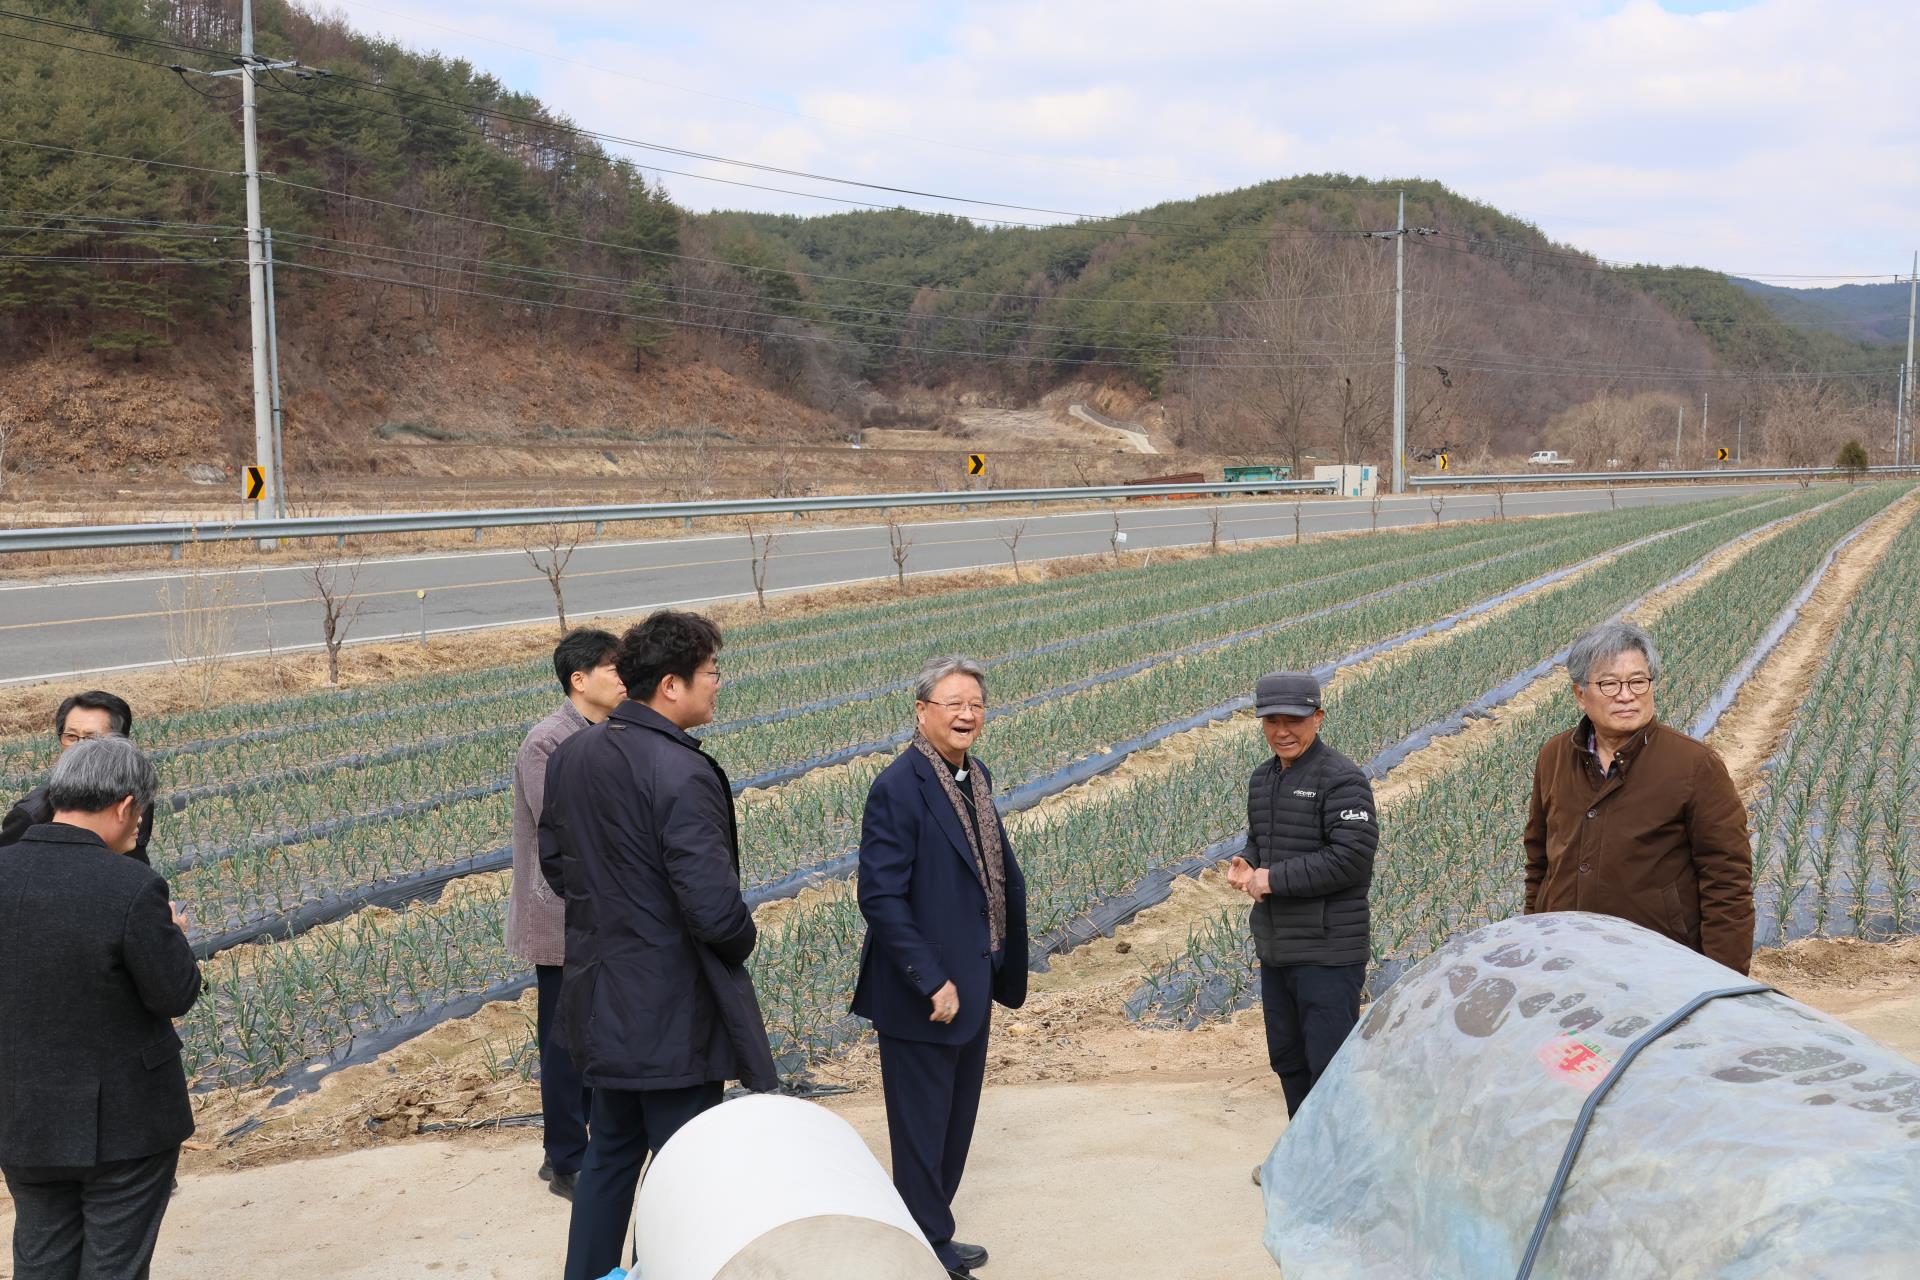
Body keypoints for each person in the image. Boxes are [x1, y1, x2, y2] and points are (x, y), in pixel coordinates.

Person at [540, 610, 776, 1280]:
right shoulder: (679, 770)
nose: (718, 684)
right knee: (680, 1168)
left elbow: (555, 865)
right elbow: (712, 907)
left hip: (600, 996)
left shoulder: (573, 755)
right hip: (672, 1010)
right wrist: (741, 938)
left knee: (610, 1154)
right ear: (671, 685)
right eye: (711, 673)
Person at [851, 656, 1029, 1280]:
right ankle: (925, 1246)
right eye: (953, 703)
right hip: (925, 992)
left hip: (973, 976)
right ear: (922, 711)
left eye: (975, 703)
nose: (966, 714)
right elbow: (880, 896)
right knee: (922, 1130)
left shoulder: (973, 774)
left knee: (954, 1123)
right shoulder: (899, 787)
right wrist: (930, 978)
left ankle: (932, 1232)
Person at [0, 736, 202, 1280]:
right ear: (123, 805)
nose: (139, 828)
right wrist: (172, 936)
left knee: (41, 1258)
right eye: (141, 813)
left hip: (21, 1117)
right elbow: (174, 993)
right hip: (125, 1123)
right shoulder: (131, 886)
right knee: (115, 1266)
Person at [1524, 620, 1753, 973]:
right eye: (1609, 684)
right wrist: (1534, 934)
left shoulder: (1694, 765)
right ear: (1580, 694)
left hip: (1657, 966)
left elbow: (1727, 882)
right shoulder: (1554, 757)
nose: (1626, 695)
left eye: (1637, 681)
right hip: (1566, 958)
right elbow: (1539, 860)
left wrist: (1722, 982)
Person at [1227, 671, 1377, 1134]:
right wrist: (1249, 861)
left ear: (1317, 717)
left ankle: (1337, 1163)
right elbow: (1263, 838)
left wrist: (1272, 879)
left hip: (1328, 952)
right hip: (1278, 949)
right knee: (1289, 1060)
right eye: (1271, 720)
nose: (1282, 731)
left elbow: (1351, 858)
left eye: (1293, 720)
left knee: (1328, 1067)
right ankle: (1301, 1155)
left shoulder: (1342, 779)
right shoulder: (1263, 778)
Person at [507, 627, 624, 1200]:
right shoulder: (547, 742)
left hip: (601, 911)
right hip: (559, 914)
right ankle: (566, 1158)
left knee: (595, 1033)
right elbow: (562, 824)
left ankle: (584, 1145)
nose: (624, 678)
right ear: (579, 680)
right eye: (613, 669)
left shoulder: (611, 731)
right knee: (564, 1040)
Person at [1, 691, 155, 865]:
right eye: (71, 737)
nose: (80, 747)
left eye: (92, 738)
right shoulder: (31, 815)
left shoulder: (136, 794)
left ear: (121, 743)